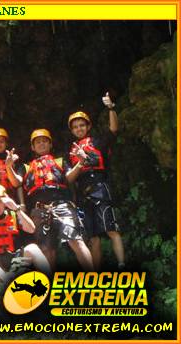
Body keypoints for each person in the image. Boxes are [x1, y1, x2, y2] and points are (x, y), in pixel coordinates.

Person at [6, 129, 94, 272]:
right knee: (46, 249)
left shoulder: (60, 161)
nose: (41, 144)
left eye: (44, 141)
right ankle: (50, 285)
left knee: (76, 240)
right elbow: (16, 182)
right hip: (39, 208)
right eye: (38, 142)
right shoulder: (26, 166)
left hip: (62, 204)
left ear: (50, 144)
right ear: (33, 147)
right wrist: (9, 166)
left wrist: (81, 162)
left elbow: (69, 178)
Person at [67, 92, 125, 270]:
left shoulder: (97, 141)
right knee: (93, 238)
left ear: (88, 126)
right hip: (84, 194)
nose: (79, 129)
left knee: (111, 230)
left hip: (100, 187)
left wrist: (110, 108)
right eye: (75, 127)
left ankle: (122, 264)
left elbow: (113, 129)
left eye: (82, 125)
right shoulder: (71, 150)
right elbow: (70, 177)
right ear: (72, 130)